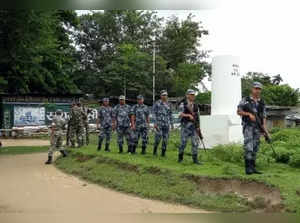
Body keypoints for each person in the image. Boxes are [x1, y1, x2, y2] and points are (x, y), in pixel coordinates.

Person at [237, 82, 268, 175]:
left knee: (256, 147)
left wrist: (264, 129)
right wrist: (248, 114)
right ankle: (248, 168)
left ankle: (253, 167)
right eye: (256, 88)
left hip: (258, 128)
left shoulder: (262, 102)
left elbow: (264, 116)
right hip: (248, 126)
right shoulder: (245, 100)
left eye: (259, 89)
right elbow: (238, 111)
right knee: (248, 146)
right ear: (252, 89)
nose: (257, 90)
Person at [178, 89, 202, 165]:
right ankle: (180, 158)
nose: (193, 96)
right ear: (187, 95)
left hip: (194, 127)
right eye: (191, 95)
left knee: (195, 143)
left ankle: (195, 160)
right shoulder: (183, 104)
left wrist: (198, 127)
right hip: (185, 126)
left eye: (194, 95)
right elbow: (180, 114)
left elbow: (197, 116)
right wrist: (188, 115)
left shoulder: (195, 105)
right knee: (183, 143)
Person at [152, 90, 174, 157]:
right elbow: (154, 114)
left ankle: (163, 153)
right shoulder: (157, 103)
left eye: (166, 95)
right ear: (161, 96)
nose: (165, 96)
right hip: (159, 124)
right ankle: (155, 151)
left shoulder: (169, 104)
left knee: (165, 139)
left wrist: (172, 124)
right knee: (158, 138)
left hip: (166, 124)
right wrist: (155, 123)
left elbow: (170, 114)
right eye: (163, 95)